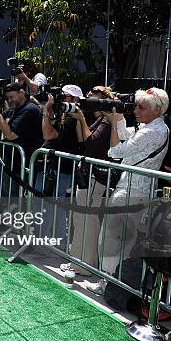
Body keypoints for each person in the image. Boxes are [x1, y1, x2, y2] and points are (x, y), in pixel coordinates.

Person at [87, 87, 169, 295]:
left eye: (141, 107)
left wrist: (113, 122)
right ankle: (117, 286)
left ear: (158, 109)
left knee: (110, 239)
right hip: (139, 192)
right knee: (126, 242)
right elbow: (126, 134)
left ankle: (107, 283)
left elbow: (115, 151)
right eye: (136, 106)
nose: (136, 110)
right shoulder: (157, 128)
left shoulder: (152, 131)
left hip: (130, 192)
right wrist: (119, 118)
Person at [59, 86, 113, 275]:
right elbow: (83, 140)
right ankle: (78, 261)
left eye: (92, 99)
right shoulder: (99, 119)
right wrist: (78, 120)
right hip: (89, 175)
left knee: (87, 221)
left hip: (96, 176)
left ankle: (84, 265)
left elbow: (91, 143)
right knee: (81, 220)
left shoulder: (107, 121)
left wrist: (81, 119)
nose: (87, 102)